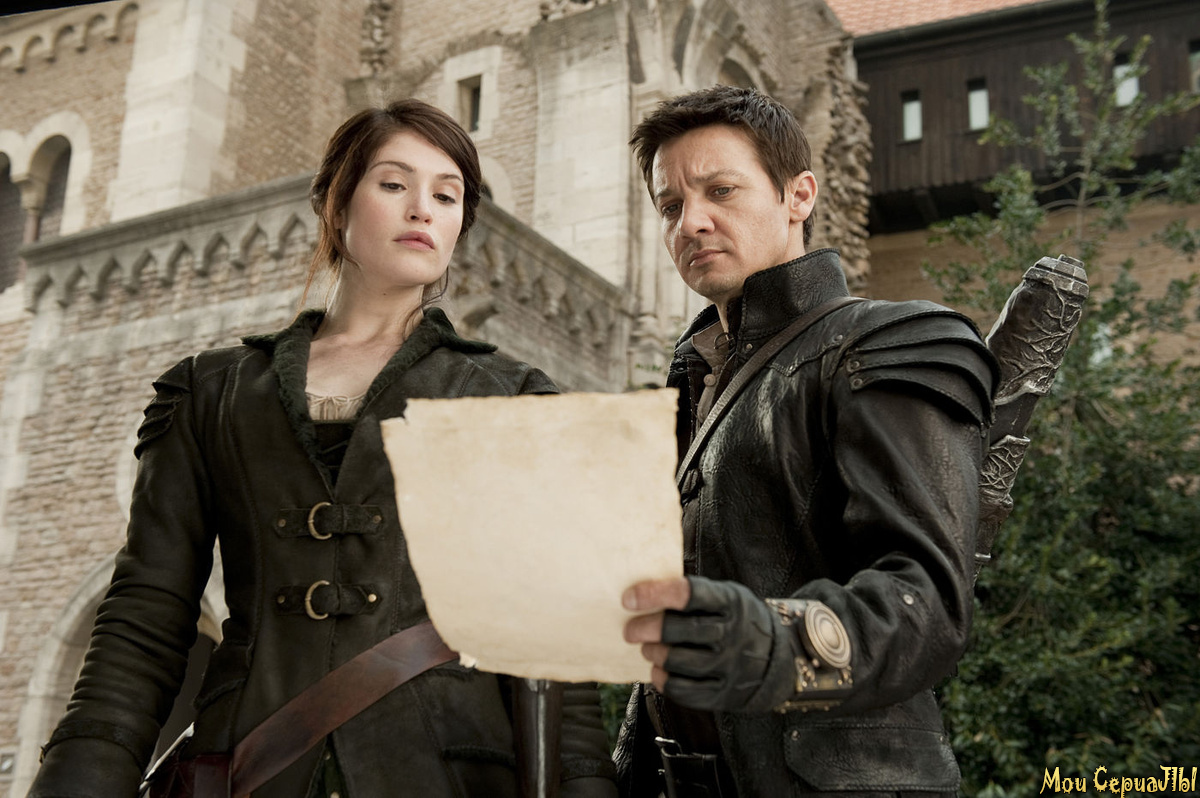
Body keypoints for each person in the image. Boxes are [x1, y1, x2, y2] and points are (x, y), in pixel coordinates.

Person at [30, 99, 618, 798]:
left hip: (446, 778)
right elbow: (143, 623)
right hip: (251, 771)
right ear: (337, 205)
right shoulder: (210, 392)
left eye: (447, 195)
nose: (422, 209)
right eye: (394, 184)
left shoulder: (514, 397)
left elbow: (558, 650)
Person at [614, 85, 997, 796]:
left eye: (720, 191)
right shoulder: (695, 378)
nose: (691, 222)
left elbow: (928, 606)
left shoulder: (889, 342)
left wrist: (760, 638)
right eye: (670, 206)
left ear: (799, 195)